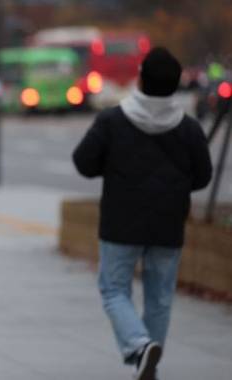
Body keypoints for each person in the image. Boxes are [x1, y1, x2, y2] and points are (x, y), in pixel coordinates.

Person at [73, 47, 212, 380]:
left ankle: (138, 346)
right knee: (160, 299)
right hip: (168, 224)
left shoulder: (112, 120)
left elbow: (84, 163)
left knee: (113, 289)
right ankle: (148, 364)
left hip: (120, 223)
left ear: (140, 77)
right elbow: (203, 176)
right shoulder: (189, 129)